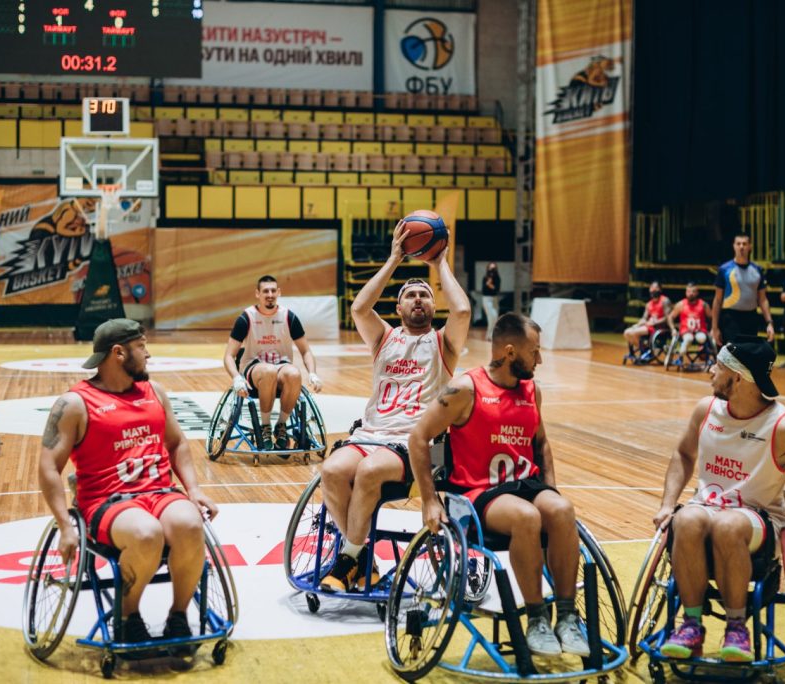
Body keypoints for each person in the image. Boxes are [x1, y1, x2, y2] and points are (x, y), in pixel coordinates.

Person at [408, 312, 589, 657]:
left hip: (524, 484)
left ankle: (567, 617)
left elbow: (542, 444)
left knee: (563, 510)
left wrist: (550, 489)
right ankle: (536, 619)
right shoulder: (465, 389)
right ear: (509, 352)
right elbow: (418, 438)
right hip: (478, 493)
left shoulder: (532, 391)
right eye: (534, 352)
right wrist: (429, 500)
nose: (539, 359)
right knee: (526, 517)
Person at [653, 341, 785, 663]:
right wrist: (668, 503)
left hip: (758, 518)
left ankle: (736, 628)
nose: (711, 370)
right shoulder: (706, 410)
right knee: (686, 519)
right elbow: (683, 453)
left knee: (728, 525)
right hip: (706, 507)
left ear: (738, 377)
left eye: (718, 365)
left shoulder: (784, 426)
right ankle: (691, 625)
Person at [37, 319, 219, 648]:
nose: (148, 354)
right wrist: (65, 525)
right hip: (107, 501)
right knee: (146, 533)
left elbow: (177, 443)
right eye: (141, 347)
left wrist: (193, 490)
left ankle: (178, 615)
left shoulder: (154, 392)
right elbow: (49, 466)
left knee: (191, 524)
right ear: (119, 353)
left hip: (160, 492)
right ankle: (128, 616)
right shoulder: (75, 403)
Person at [318, 219, 470, 592]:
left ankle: (348, 559)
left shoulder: (444, 344)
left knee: (369, 472)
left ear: (433, 305)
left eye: (424, 295)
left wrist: (440, 264)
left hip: (413, 442)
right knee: (332, 470)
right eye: (410, 295)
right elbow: (359, 308)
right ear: (398, 307)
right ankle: (362, 558)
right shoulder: (383, 338)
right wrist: (394, 259)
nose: (418, 299)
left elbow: (463, 312)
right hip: (370, 434)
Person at [223, 275, 322, 451]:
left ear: (279, 292)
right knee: (269, 371)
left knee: (294, 373)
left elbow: (306, 351)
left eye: (273, 291)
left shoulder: (289, 317)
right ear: (257, 294)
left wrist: (313, 373)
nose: (270, 294)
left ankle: (281, 425)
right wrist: (236, 378)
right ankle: (265, 426)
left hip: (281, 365)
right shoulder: (246, 318)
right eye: (265, 291)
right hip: (254, 367)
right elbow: (229, 356)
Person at [711, 234, 775, 347]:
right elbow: (717, 300)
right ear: (734, 246)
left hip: (751, 318)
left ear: (750, 246)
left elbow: (763, 300)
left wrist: (769, 323)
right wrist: (714, 327)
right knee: (732, 355)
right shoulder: (724, 269)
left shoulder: (757, 270)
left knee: (748, 353)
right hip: (730, 319)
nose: (741, 247)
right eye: (738, 244)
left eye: (744, 244)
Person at [666, 282, 712, 364]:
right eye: (689, 291)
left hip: (700, 331)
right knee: (688, 338)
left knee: (702, 338)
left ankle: (703, 353)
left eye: (693, 291)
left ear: (697, 292)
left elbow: (711, 318)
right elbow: (670, 317)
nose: (691, 293)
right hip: (686, 332)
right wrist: (673, 329)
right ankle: (680, 353)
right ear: (686, 292)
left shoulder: (703, 304)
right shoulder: (680, 304)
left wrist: (712, 329)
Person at [623, 281, 671, 355]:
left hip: (659, 328)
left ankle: (645, 350)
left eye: (656, 288)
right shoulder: (649, 304)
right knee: (626, 333)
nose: (653, 289)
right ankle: (645, 349)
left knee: (633, 333)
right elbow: (644, 318)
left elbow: (668, 317)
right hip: (649, 326)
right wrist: (638, 324)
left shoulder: (665, 301)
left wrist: (655, 322)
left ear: (660, 289)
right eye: (652, 288)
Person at [481, 262, 501, 340]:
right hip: (487, 299)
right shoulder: (485, 278)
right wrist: (487, 284)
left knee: (495, 317)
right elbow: (483, 290)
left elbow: (497, 289)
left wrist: (490, 285)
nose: (492, 270)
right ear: (488, 269)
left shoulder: (497, 278)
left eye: (493, 268)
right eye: (490, 268)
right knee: (490, 317)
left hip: (494, 298)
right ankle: (489, 335)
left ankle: (491, 335)